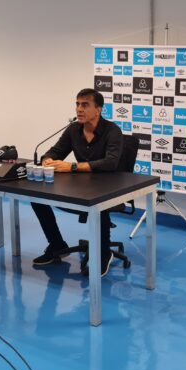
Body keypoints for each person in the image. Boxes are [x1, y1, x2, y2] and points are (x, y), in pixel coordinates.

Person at [32, 88, 123, 277]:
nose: (79, 109)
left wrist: (72, 167)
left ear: (98, 109)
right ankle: (57, 244)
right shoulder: (73, 129)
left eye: (85, 105)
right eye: (77, 104)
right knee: (36, 198)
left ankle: (104, 253)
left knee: (100, 204)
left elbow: (110, 162)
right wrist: (48, 159)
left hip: (109, 186)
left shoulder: (112, 130)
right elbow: (55, 151)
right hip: (82, 185)